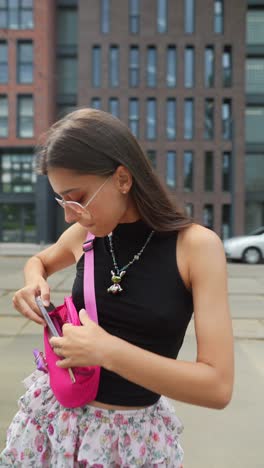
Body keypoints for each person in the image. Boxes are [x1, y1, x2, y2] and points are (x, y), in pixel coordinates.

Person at [0, 108, 234, 467]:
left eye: (76, 198)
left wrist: (107, 351)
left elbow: (217, 387)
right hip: (53, 428)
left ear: (123, 178)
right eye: (62, 201)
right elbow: (41, 261)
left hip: (133, 442)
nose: (68, 215)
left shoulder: (197, 248)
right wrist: (33, 284)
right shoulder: (86, 233)